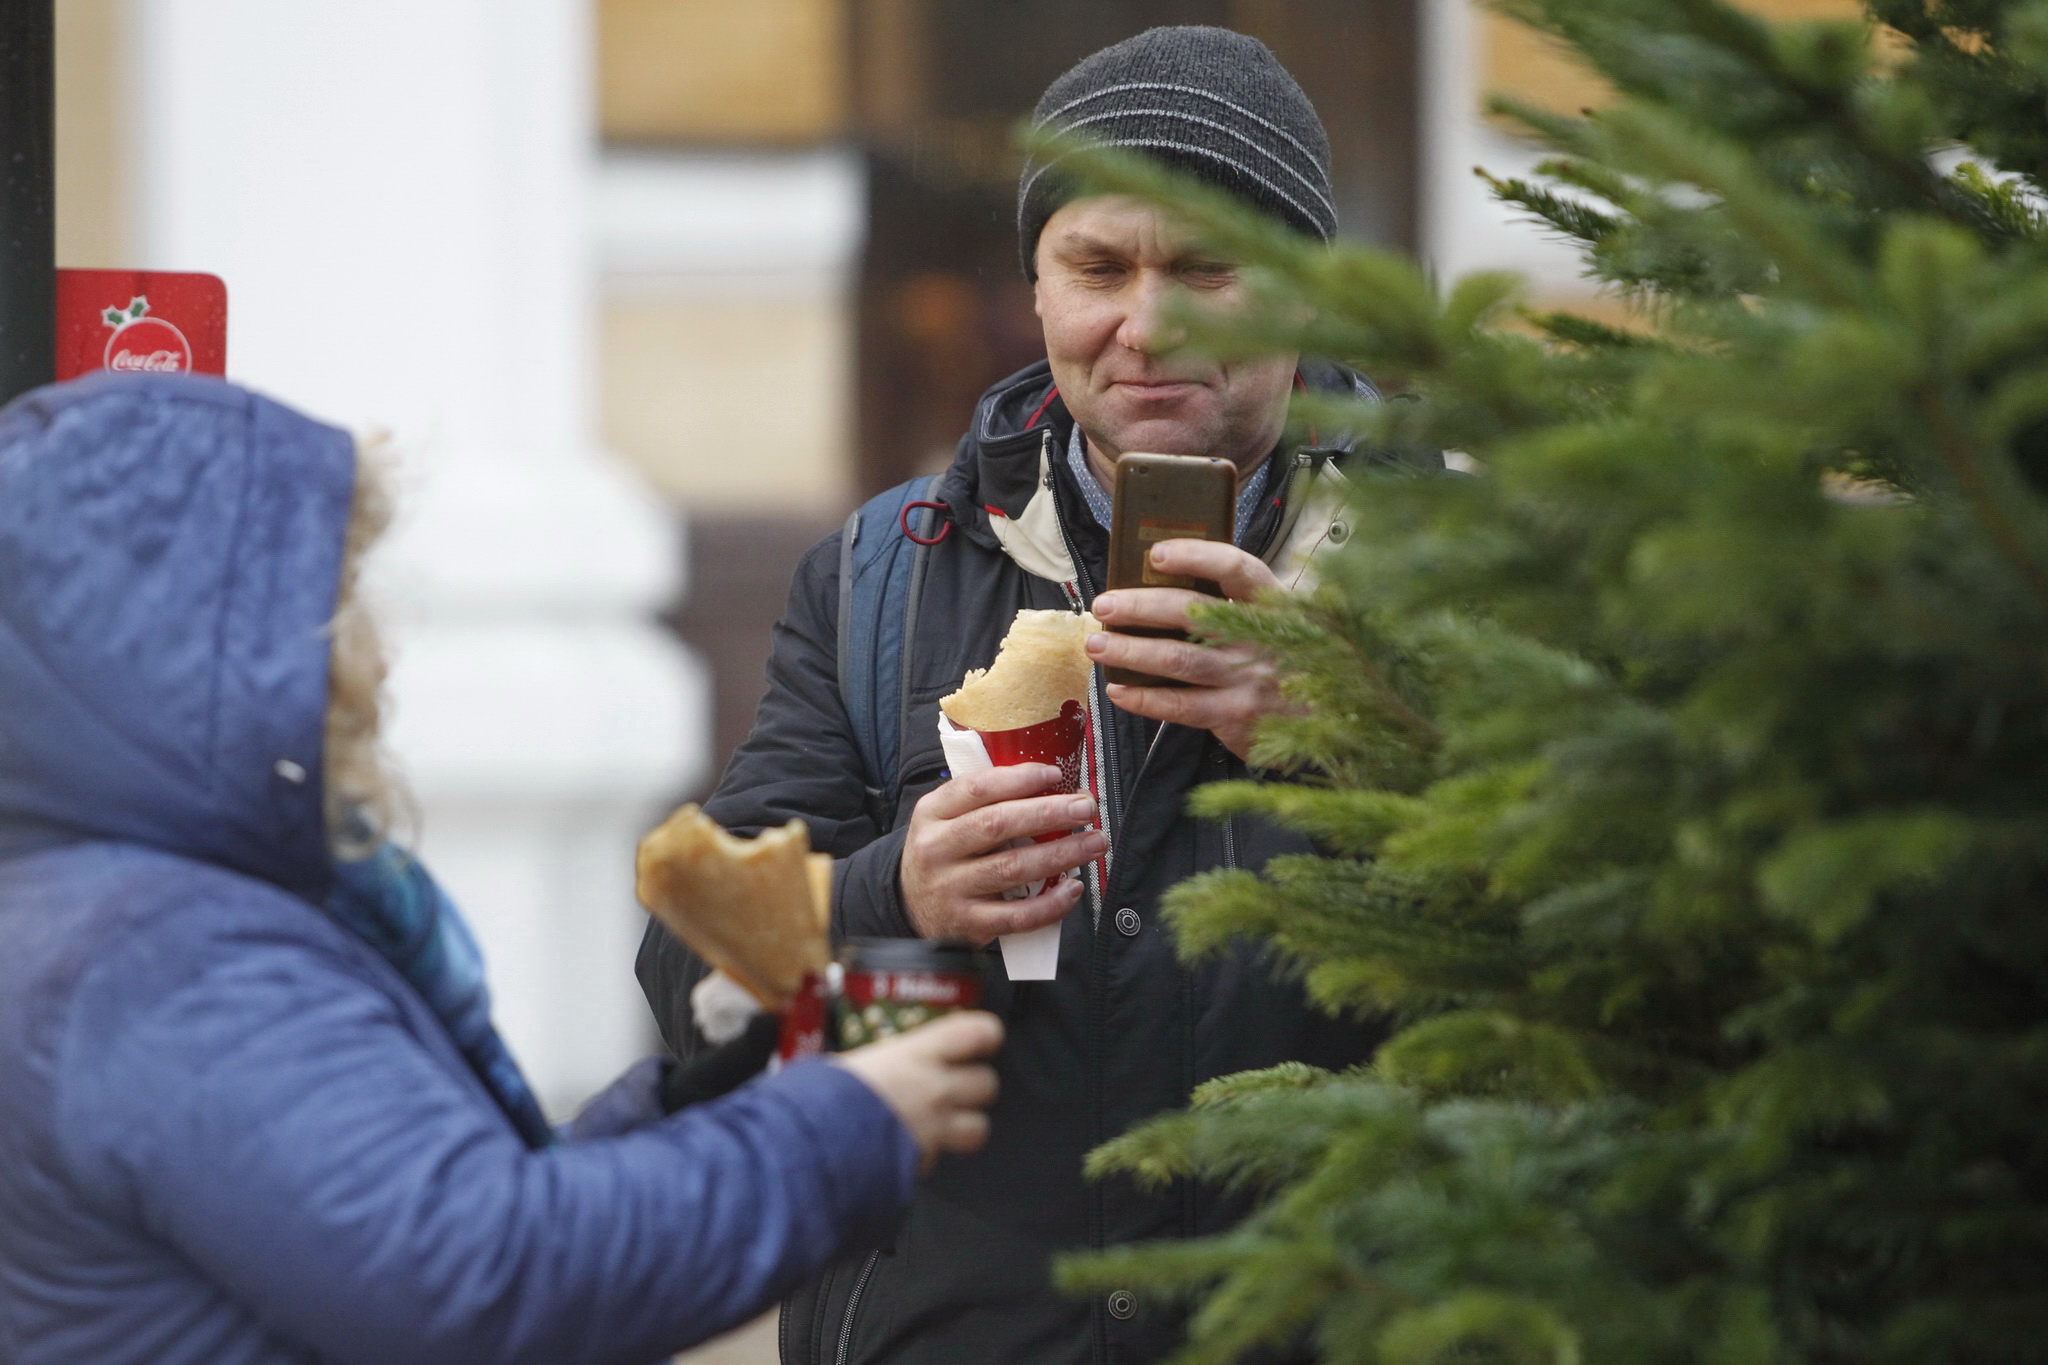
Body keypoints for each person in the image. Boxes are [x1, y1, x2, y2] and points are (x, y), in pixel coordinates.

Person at [638, 25, 1441, 1365]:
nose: (1146, 323)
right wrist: (896, 894)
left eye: (1206, 267)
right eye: (1097, 267)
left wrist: (1346, 737)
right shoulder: (884, 578)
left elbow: (1610, 963)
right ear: (1040, 287)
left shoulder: (1461, 571)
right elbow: (697, 995)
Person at [0, 371, 1005, 1365]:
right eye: (337, 600)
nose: (377, 660)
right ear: (184, 640)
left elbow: (449, 1212)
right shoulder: (171, 960)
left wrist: (711, 1094)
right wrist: (841, 1127)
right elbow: (490, 1278)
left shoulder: (113, 907)